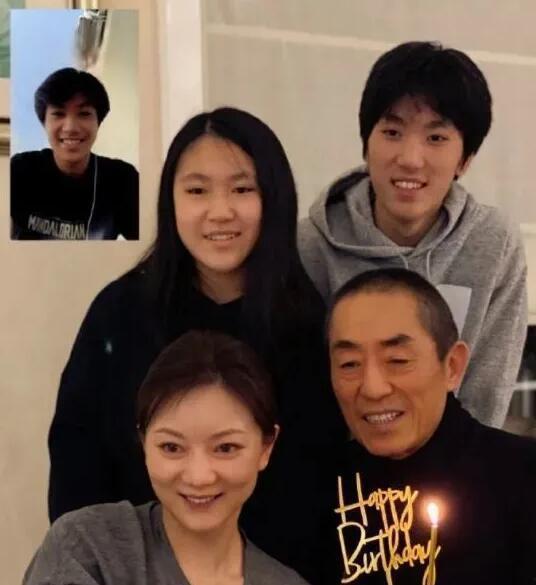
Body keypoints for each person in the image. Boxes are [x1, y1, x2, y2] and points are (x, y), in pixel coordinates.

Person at [47, 106, 344, 573]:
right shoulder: (119, 313)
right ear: (171, 201)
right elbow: (76, 463)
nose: (219, 212)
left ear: (275, 199)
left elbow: (320, 487)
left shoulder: (310, 326)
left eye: (242, 189)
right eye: (197, 190)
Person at [298, 41, 527, 428]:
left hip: (456, 454)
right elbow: (306, 387)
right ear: (366, 145)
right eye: (392, 132)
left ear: (465, 160)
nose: (410, 158)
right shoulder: (310, 245)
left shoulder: (493, 242)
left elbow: (487, 392)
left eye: (436, 138)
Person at [25, 331, 310, 585]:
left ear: (266, 448)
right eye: (172, 447)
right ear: (144, 443)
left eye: (225, 448)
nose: (199, 477)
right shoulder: (87, 548)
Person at [314, 268, 536, 585]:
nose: (373, 388)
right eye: (349, 364)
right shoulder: (315, 490)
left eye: (398, 360)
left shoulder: (523, 475)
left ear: (452, 366)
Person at [11, 67, 138, 240]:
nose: (70, 127)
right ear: (44, 122)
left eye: (84, 114)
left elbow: (149, 245)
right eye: (58, 114)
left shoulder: (122, 180)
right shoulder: (19, 171)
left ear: (98, 122)